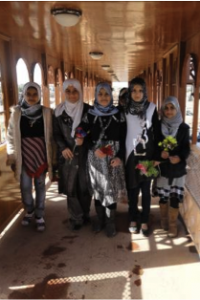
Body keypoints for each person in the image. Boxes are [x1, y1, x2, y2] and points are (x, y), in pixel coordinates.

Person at [75, 82, 127, 237]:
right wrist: (91, 146)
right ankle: (100, 219)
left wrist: (119, 157)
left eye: (106, 94)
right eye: (100, 94)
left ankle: (110, 223)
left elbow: (124, 138)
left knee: (110, 190)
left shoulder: (119, 113)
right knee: (98, 189)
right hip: (96, 156)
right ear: (96, 96)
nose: (103, 97)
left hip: (113, 156)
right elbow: (80, 131)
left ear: (111, 95)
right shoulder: (90, 113)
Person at [6, 82, 54, 231]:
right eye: (28, 94)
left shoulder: (47, 112)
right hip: (23, 156)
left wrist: (53, 157)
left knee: (40, 185)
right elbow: (11, 137)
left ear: (39, 95)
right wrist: (12, 156)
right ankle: (29, 210)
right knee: (25, 187)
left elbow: (51, 136)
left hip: (41, 155)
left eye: (34, 94)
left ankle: (39, 214)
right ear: (24, 95)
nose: (31, 97)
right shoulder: (16, 113)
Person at [53, 79, 91, 231]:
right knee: (71, 187)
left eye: (75, 91)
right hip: (67, 155)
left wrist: (85, 141)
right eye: (68, 91)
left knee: (84, 185)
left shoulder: (88, 110)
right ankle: (75, 217)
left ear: (80, 92)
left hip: (84, 154)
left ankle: (85, 214)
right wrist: (62, 147)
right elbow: (56, 133)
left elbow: (94, 132)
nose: (71, 94)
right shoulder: (58, 112)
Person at [125, 77, 159, 236]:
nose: (137, 93)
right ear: (130, 92)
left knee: (145, 191)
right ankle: (133, 218)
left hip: (148, 156)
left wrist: (157, 156)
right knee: (132, 189)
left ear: (144, 91)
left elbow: (157, 133)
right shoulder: (125, 109)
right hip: (130, 155)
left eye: (140, 90)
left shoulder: (152, 108)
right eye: (134, 90)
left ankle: (144, 220)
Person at [156, 96, 190, 238]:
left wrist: (180, 157)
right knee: (163, 197)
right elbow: (154, 145)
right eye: (166, 108)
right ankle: (164, 220)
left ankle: (172, 224)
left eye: (172, 108)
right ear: (163, 110)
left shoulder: (183, 128)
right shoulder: (158, 126)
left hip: (177, 169)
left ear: (177, 109)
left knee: (175, 197)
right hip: (163, 168)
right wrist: (160, 153)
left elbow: (186, 148)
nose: (169, 111)